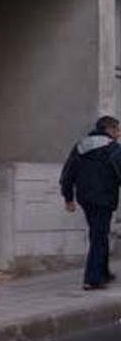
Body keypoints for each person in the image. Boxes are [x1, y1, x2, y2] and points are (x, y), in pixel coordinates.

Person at [60, 116, 121, 290]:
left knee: (99, 233)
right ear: (109, 129)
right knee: (99, 236)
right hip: (104, 198)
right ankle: (92, 279)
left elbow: (68, 172)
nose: (119, 133)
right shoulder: (113, 148)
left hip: (85, 198)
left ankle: (103, 272)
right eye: (117, 129)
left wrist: (68, 197)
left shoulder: (81, 145)